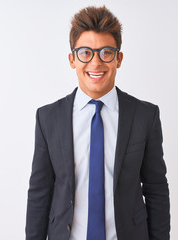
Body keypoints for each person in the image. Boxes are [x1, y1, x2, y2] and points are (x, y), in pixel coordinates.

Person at [25, 6, 170, 240]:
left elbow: (156, 191)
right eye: (85, 53)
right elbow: (40, 193)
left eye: (106, 52)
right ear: (72, 59)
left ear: (119, 59)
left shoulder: (145, 116)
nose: (95, 62)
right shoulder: (48, 118)